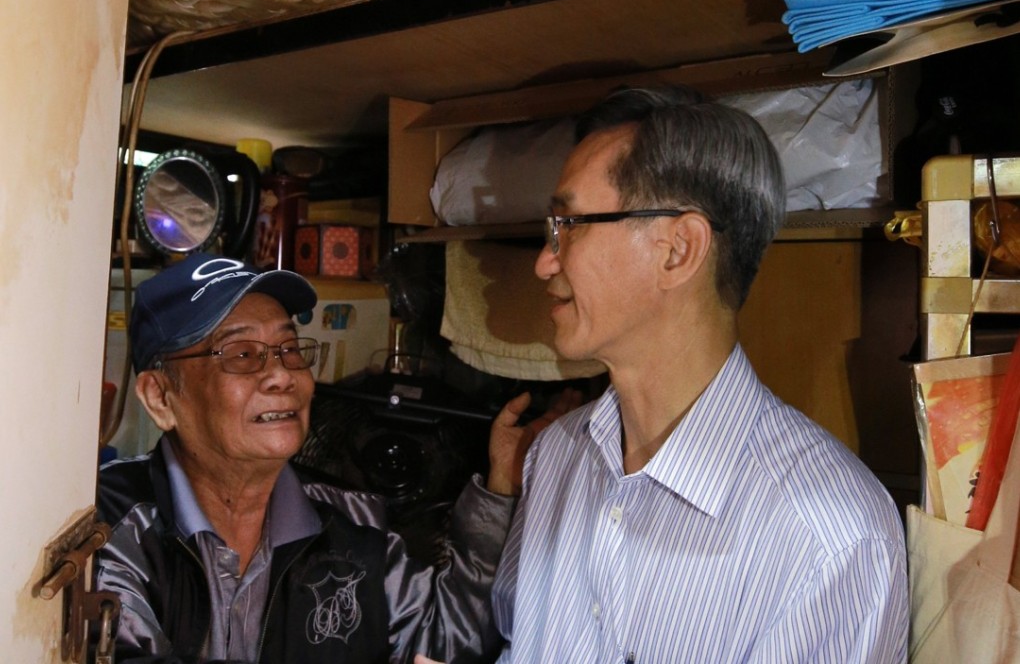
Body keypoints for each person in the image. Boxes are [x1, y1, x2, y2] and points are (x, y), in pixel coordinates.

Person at [485, 85, 910, 663]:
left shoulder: (830, 536)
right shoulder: (555, 455)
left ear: (678, 250)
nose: (543, 260)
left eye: (570, 225)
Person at [94, 252, 531, 664]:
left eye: (290, 349)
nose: (283, 375)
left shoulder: (354, 523)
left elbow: (446, 641)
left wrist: (501, 485)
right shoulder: (108, 525)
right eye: (242, 355)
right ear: (160, 397)